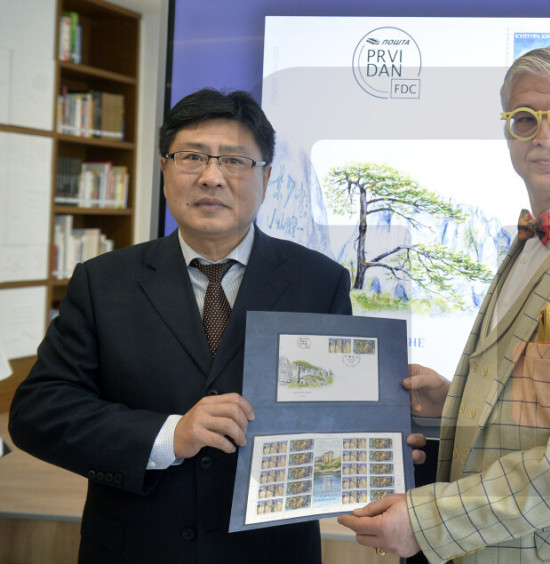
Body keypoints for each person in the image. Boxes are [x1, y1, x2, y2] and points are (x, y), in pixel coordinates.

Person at [338, 44, 550, 563]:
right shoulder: (533, 236)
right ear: (509, 134)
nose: (544, 136)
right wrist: (454, 401)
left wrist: (430, 521)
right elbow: (548, 403)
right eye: (525, 119)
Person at [8, 88, 352, 562]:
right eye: (192, 157)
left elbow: (338, 416)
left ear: (267, 176)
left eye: (234, 161)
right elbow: (38, 413)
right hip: (136, 549)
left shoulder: (319, 282)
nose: (211, 177)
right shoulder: (102, 282)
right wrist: (169, 436)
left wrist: (388, 437)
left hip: (268, 551)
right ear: (165, 169)